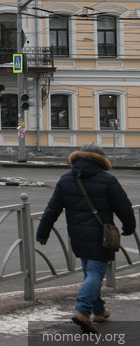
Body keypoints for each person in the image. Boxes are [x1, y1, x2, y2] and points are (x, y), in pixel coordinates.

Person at [35, 142, 135, 333]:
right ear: (101, 160)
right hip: (100, 236)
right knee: (96, 274)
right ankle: (82, 310)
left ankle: (98, 310)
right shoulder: (108, 181)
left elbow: (51, 210)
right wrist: (129, 227)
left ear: (78, 157)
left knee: (90, 273)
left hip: (77, 235)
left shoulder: (66, 180)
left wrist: (43, 231)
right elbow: (124, 207)